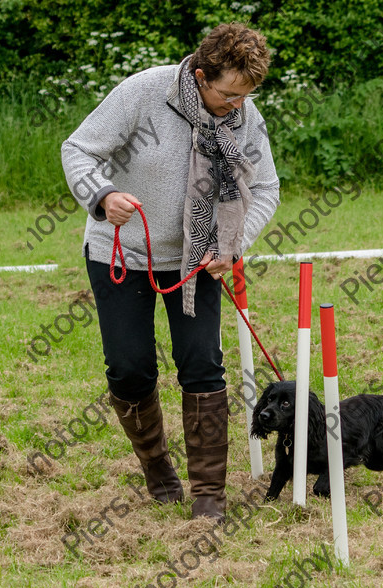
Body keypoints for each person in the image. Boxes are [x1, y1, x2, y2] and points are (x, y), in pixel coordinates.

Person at [60, 23, 279, 522]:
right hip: (122, 255)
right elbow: (78, 150)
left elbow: (265, 188)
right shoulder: (143, 93)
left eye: (246, 96)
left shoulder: (244, 115)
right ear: (201, 75)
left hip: (198, 257)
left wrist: (233, 244)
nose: (236, 106)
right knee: (130, 369)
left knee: (202, 364)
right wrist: (102, 196)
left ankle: (208, 497)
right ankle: (158, 468)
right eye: (228, 94)